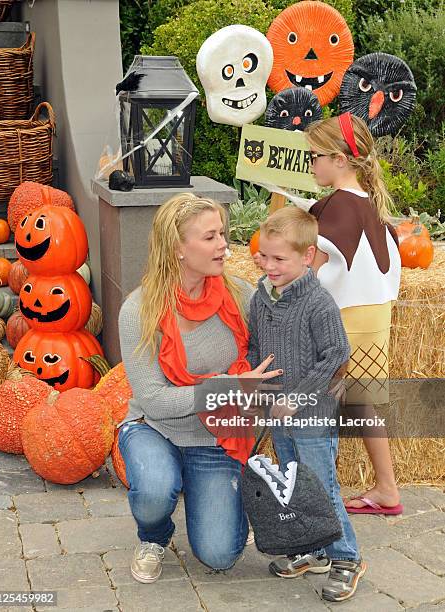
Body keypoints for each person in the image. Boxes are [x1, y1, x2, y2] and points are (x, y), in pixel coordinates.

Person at [117, 193, 282, 584]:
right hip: (154, 428)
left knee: (220, 555)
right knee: (155, 490)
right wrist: (226, 387)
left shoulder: (242, 296)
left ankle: (220, 493)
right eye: (210, 237)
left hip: (216, 438)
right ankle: (154, 535)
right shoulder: (138, 310)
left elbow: (275, 354)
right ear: (178, 248)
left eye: (222, 234)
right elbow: (154, 401)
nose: (224, 244)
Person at [247, 206, 366, 603]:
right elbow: (254, 348)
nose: (269, 264)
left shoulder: (318, 304)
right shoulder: (260, 299)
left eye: (279, 258)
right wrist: (258, 384)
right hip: (278, 414)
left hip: (311, 415)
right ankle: (312, 548)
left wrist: (297, 398)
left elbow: (335, 356)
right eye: (264, 256)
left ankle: (346, 557)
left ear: (308, 256)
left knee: (321, 486)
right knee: (293, 481)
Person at [305, 113, 403, 515]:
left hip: (342, 320)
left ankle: (318, 500)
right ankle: (387, 489)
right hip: (375, 318)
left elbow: (305, 274)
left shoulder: (334, 208)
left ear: (341, 159)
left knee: (317, 407)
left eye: (315, 157)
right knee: (361, 404)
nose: (311, 166)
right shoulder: (374, 209)